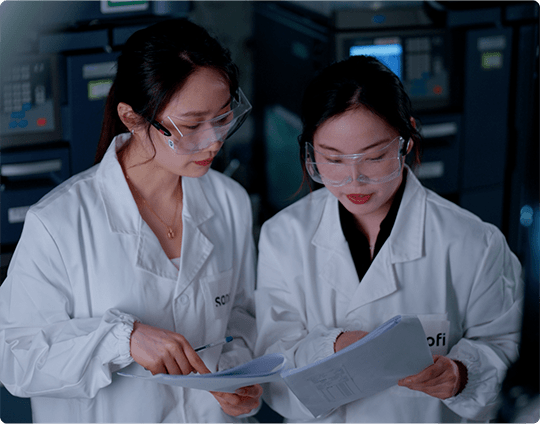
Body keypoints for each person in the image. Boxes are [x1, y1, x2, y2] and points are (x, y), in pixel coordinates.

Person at [0, 19, 262, 423]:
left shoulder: (230, 202)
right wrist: (121, 340)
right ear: (133, 119)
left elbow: (242, 316)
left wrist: (238, 377)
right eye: (191, 126)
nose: (213, 141)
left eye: (223, 118)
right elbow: (16, 360)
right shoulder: (60, 222)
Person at [255, 55, 523, 423]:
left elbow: (505, 348)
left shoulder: (473, 243)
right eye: (332, 160)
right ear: (310, 150)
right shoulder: (283, 236)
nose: (354, 180)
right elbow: (273, 359)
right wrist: (334, 347)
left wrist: (460, 374)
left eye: (375, 156)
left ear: (407, 141)